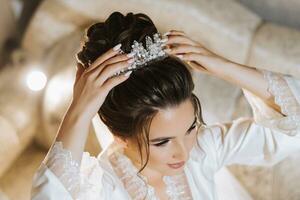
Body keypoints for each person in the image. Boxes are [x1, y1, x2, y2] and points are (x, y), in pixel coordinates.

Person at [30, 11, 300, 200]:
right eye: (162, 142)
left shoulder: (203, 151)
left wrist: (225, 66)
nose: (183, 152)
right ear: (119, 135)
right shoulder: (104, 188)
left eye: (191, 127)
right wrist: (78, 113)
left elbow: (293, 125)